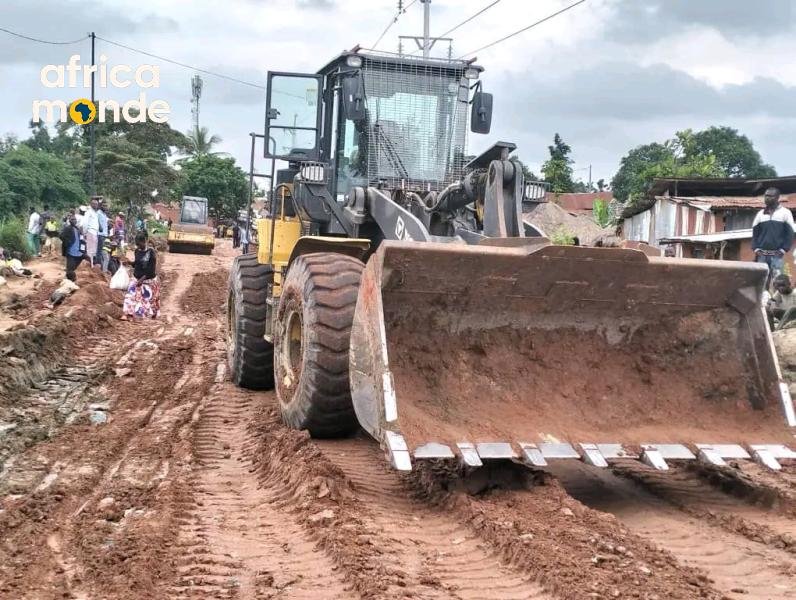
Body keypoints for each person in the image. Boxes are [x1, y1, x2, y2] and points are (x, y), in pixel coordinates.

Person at [752, 187, 795, 289]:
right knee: (761, 282)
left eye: (770, 196)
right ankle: (762, 303)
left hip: (777, 255)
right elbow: (755, 233)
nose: (767, 198)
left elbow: (790, 233)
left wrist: (783, 249)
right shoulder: (760, 214)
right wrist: (756, 248)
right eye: (766, 196)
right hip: (761, 255)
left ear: (777, 198)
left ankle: (776, 303)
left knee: (778, 282)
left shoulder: (785, 213)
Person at [122, 231, 160, 320]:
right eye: (137, 245)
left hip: (148, 280)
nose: (138, 246)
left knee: (147, 300)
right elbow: (137, 264)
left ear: (145, 241)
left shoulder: (151, 253)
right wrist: (130, 263)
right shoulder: (137, 251)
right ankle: (127, 313)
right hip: (137, 278)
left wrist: (142, 279)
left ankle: (148, 313)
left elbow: (151, 269)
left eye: (140, 244)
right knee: (130, 295)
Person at [60, 213, 83, 281]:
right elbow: (61, 236)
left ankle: (69, 278)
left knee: (73, 267)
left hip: (78, 251)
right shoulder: (67, 228)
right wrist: (68, 242)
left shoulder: (77, 229)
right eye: (72, 219)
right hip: (70, 251)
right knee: (70, 268)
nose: (74, 221)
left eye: (75, 219)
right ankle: (68, 280)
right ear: (69, 221)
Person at [82, 198, 100, 268]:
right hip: (90, 231)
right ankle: (90, 265)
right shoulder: (88, 212)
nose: (95, 205)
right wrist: (85, 233)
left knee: (93, 250)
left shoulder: (95, 213)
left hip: (95, 232)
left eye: (96, 204)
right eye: (94, 204)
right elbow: (85, 223)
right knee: (90, 250)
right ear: (91, 204)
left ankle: (92, 264)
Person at [96, 198, 110, 272]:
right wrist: (100, 227)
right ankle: (98, 266)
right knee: (99, 251)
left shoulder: (104, 214)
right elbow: (96, 221)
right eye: (104, 206)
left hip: (104, 235)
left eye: (106, 206)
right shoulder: (98, 213)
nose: (105, 207)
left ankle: (102, 268)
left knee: (103, 252)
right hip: (100, 235)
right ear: (101, 206)